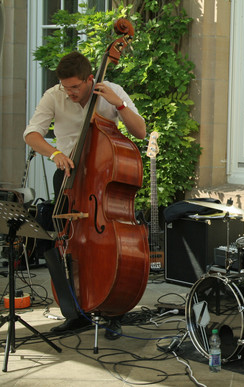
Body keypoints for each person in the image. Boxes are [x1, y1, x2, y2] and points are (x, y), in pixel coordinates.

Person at [23, 51, 146, 340]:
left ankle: (113, 312)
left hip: (104, 179)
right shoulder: (55, 95)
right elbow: (31, 133)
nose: (71, 93)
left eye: (76, 87)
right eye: (66, 87)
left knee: (108, 241)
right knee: (70, 241)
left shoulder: (112, 92)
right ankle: (75, 311)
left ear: (90, 79)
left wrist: (120, 105)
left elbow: (140, 131)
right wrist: (54, 153)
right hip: (68, 176)